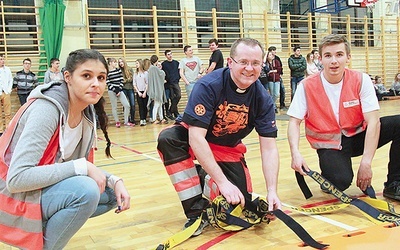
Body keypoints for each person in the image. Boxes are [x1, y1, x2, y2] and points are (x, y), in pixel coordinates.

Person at [0, 49, 131, 249]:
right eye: (86, 76)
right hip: (10, 194)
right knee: (86, 192)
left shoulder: (86, 112)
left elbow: (75, 167)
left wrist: (115, 180)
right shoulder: (47, 109)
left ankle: (43, 227)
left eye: (101, 77)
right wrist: (84, 167)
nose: (96, 83)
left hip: (38, 186)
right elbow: (17, 179)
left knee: (112, 193)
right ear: (67, 77)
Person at [157, 38, 281, 235]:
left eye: (256, 63)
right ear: (231, 63)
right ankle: (196, 212)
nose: (250, 68)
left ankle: (202, 175)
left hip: (227, 149)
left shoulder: (263, 99)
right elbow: (196, 137)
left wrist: (272, 191)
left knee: (239, 203)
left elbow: (269, 148)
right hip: (195, 138)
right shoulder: (208, 85)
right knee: (168, 138)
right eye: (243, 62)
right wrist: (222, 183)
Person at [287, 34, 400, 201]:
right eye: (328, 56)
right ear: (320, 59)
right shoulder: (306, 86)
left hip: (356, 136)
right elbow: (294, 122)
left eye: (339, 55)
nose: (334, 61)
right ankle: (331, 173)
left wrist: (366, 163)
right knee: (340, 182)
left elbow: (373, 121)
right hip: (329, 145)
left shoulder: (361, 80)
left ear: (348, 57)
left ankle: (394, 183)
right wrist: (295, 153)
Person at [106, 57, 133, 127]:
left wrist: (119, 89)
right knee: (114, 107)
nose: (115, 64)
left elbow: (121, 79)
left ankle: (126, 121)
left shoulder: (118, 70)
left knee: (127, 105)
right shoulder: (107, 72)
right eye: (114, 62)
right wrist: (115, 90)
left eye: (115, 62)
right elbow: (108, 82)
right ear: (110, 63)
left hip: (120, 90)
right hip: (112, 91)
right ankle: (117, 122)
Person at [147, 55, 167, 124]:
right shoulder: (154, 68)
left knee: (160, 104)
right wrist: (160, 68)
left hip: (156, 89)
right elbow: (162, 73)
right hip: (156, 89)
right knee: (156, 104)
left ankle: (161, 118)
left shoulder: (151, 68)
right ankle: (154, 118)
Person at [162, 50, 181, 119]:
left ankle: (170, 111)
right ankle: (175, 113)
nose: (170, 56)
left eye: (171, 54)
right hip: (168, 83)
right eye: (168, 54)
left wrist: (178, 78)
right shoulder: (164, 64)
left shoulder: (176, 63)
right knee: (172, 98)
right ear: (166, 56)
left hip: (175, 82)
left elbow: (179, 72)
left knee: (178, 95)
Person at [118, 57, 136, 125]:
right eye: (119, 62)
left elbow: (131, 78)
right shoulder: (119, 70)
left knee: (132, 104)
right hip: (123, 89)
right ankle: (127, 119)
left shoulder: (129, 69)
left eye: (122, 62)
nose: (121, 63)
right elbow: (120, 80)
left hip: (130, 88)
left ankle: (132, 119)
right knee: (125, 105)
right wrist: (125, 80)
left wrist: (125, 80)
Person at [268, 46, 286, 110]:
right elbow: (267, 70)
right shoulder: (267, 62)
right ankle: (273, 107)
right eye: (273, 51)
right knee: (272, 94)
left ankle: (272, 105)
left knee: (277, 93)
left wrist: (274, 71)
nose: (274, 52)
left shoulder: (277, 59)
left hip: (277, 78)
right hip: (270, 79)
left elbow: (279, 69)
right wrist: (272, 71)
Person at [0, 54, 13, 137]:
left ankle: (8, 129)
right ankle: (0, 130)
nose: (2, 61)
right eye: (1, 59)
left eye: (3, 59)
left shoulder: (7, 69)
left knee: (8, 112)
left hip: (5, 92)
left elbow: (10, 80)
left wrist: (8, 90)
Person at [133, 59, 149, 126]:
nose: (136, 65)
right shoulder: (135, 74)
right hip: (138, 91)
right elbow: (134, 84)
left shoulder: (145, 73)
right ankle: (141, 119)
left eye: (137, 63)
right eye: (136, 63)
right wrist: (138, 92)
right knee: (140, 106)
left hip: (145, 91)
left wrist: (145, 92)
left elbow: (147, 83)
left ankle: (144, 118)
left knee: (145, 106)